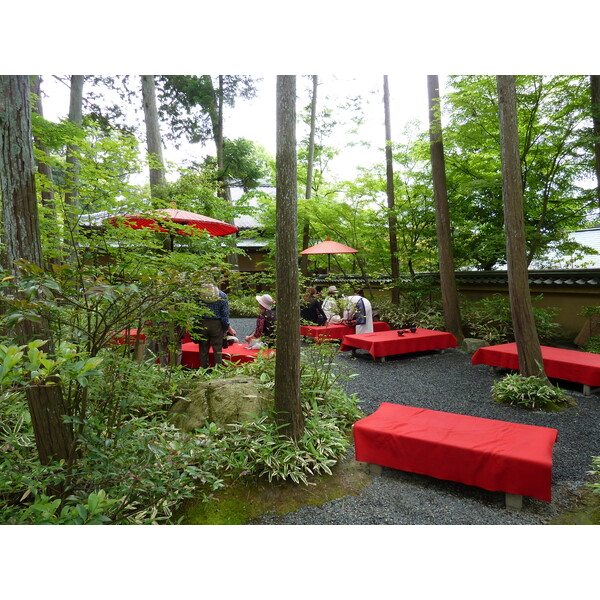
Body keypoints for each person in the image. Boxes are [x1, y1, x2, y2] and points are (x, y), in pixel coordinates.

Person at [190, 283, 236, 369]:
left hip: (202, 323)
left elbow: (194, 311)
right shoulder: (222, 295)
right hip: (217, 324)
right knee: (217, 349)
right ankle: (217, 369)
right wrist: (226, 329)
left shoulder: (198, 294)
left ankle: (203, 369)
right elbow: (225, 315)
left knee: (203, 348)